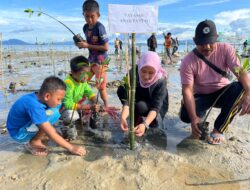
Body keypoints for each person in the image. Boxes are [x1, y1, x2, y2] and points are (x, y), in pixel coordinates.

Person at [179, 19, 250, 145]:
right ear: (195, 40)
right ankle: (198, 116)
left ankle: (218, 129)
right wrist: (194, 118)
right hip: (201, 94)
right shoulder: (188, 61)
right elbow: (187, 90)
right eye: (202, 43)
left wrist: (249, 93)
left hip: (223, 92)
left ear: (216, 38)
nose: (207, 47)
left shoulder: (226, 49)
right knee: (186, 115)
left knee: (241, 88)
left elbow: (240, 72)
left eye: (210, 42)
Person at [6, 76, 86, 156]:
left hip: (24, 125)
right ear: (47, 96)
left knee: (55, 110)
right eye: (58, 99)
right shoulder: (34, 106)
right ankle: (34, 141)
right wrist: (71, 148)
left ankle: (38, 135)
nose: (59, 102)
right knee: (52, 114)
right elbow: (50, 131)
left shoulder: (39, 97)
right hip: (19, 134)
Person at [117, 51, 169, 137]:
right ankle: (136, 115)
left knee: (155, 128)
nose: (146, 76)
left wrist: (145, 124)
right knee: (121, 89)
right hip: (139, 96)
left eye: (151, 73)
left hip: (154, 103)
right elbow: (128, 99)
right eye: (143, 71)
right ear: (139, 67)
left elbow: (156, 107)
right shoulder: (133, 73)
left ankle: (147, 120)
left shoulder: (161, 81)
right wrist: (123, 117)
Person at [76, 0, 109, 107]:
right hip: (91, 61)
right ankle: (83, 101)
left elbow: (106, 47)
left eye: (92, 16)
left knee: (100, 86)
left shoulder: (100, 27)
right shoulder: (85, 27)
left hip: (101, 62)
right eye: (87, 16)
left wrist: (88, 45)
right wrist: (81, 45)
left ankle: (106, 106)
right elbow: (88, 44)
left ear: (98, 15)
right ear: (83, 15)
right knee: (82, 80)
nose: (89, 19)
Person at [61, 55, 100, 124]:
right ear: (73, 73)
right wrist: (88, 107)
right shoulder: (68, 83)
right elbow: (67, 104)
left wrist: (95, 103)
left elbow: (89, 92)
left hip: (78, 104)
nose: (86, 77)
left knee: (98, 103)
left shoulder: (82, 80)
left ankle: (85, 121)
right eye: (82, 74)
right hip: (66, 108)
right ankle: (66, 125)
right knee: (72, 117)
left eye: (87, 73)